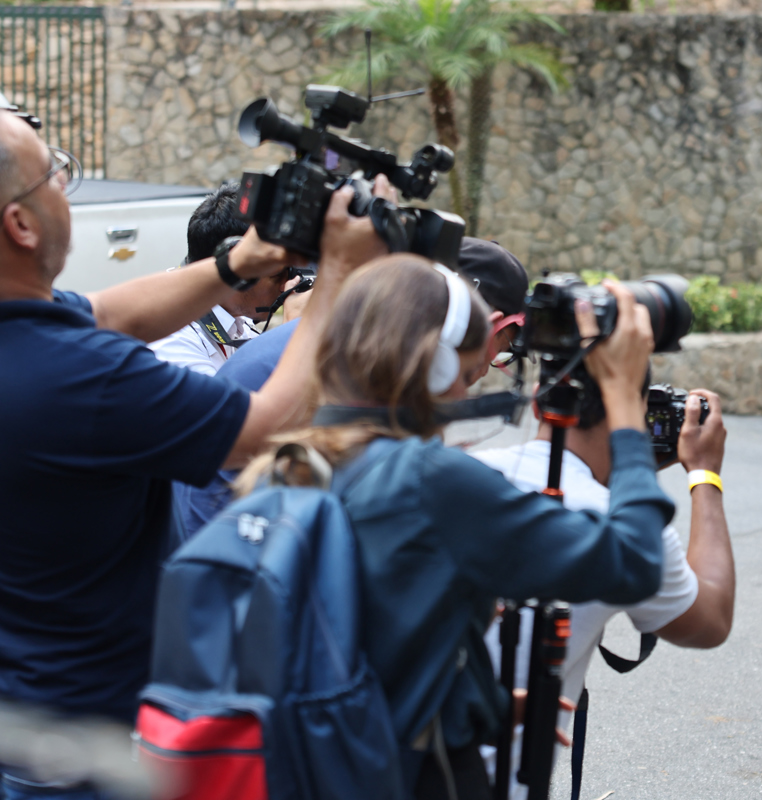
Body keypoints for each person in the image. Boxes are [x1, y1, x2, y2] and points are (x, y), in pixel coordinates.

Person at [0, 108, 387, 799]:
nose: (66, 185)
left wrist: (236, 265)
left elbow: (110, 312)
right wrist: (337, 282)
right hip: (81, 754)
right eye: (54, 176)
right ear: (21, 226)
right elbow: (265, 428)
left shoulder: (35, 333)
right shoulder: (80, 381)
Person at [233, 254, 673, 799]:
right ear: (434, 368)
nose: (466, 395)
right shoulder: (427, 481)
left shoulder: (279, 470)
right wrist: (625, 407)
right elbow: (632, 562)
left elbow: (359, 642)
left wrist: (471, 698)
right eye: (466, 374)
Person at [475, 373, 735, 799]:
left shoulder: (469, 474)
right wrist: (705, 475)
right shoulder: (628, 533)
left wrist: (625, 474)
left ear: (542, 404)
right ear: (632, 415)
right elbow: (711, 620)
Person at [172, 236, 531, 541]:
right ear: (481, 328)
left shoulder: (357, 339)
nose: (475, 381)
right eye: (486, 362)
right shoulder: (355, 362)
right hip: (242, 558)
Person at [148, 181, 310, 374]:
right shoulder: (172, 342)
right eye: (277, 274)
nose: (287, 285)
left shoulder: (234, 317)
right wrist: (292, 334)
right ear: (238, 264)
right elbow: (240, 403)